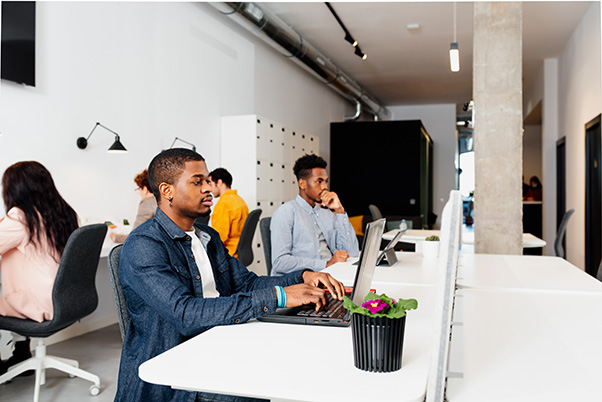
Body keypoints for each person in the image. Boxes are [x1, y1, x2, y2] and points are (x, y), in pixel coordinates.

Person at [114, 148, 345, 402]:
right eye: (197, 182)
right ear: (167, 190)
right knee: (255, 392)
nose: (208, 188)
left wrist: (303, 277)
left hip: (219, 342)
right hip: (177, 374)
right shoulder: (144, 244)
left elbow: (248, 283)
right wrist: (280, 296)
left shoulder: (207, 237)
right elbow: (186, 314)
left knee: (296, 358)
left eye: (208, 180)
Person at [0, 161, 79, 374]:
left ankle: (13, 359)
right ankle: (21, 355)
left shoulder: (20, 217)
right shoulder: (62, 213)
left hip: (41, 303)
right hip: (65, 298)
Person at [270, 154, 359, 276]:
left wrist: (340, 211)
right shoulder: (285, 213)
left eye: (326, 181)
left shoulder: (327, 214)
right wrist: (325, 264)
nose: (325, 187)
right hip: (301, 282)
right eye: (319, 182)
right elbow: (280, 262)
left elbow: (352, 252)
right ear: (302, 184)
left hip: (330, 275)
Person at [207, 167, 249, 258]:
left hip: (228, 253)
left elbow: (219, 238)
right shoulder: (239, 200)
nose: (209, 189)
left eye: (210, 184)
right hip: (238, 251)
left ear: (219, 182)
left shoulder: (224, 204)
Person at [110, 169, 157, 243]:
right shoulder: (163, 200)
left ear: (144, 189)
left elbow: (135, 235)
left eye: (139, 189)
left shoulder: (147, 202)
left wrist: (115, 237)